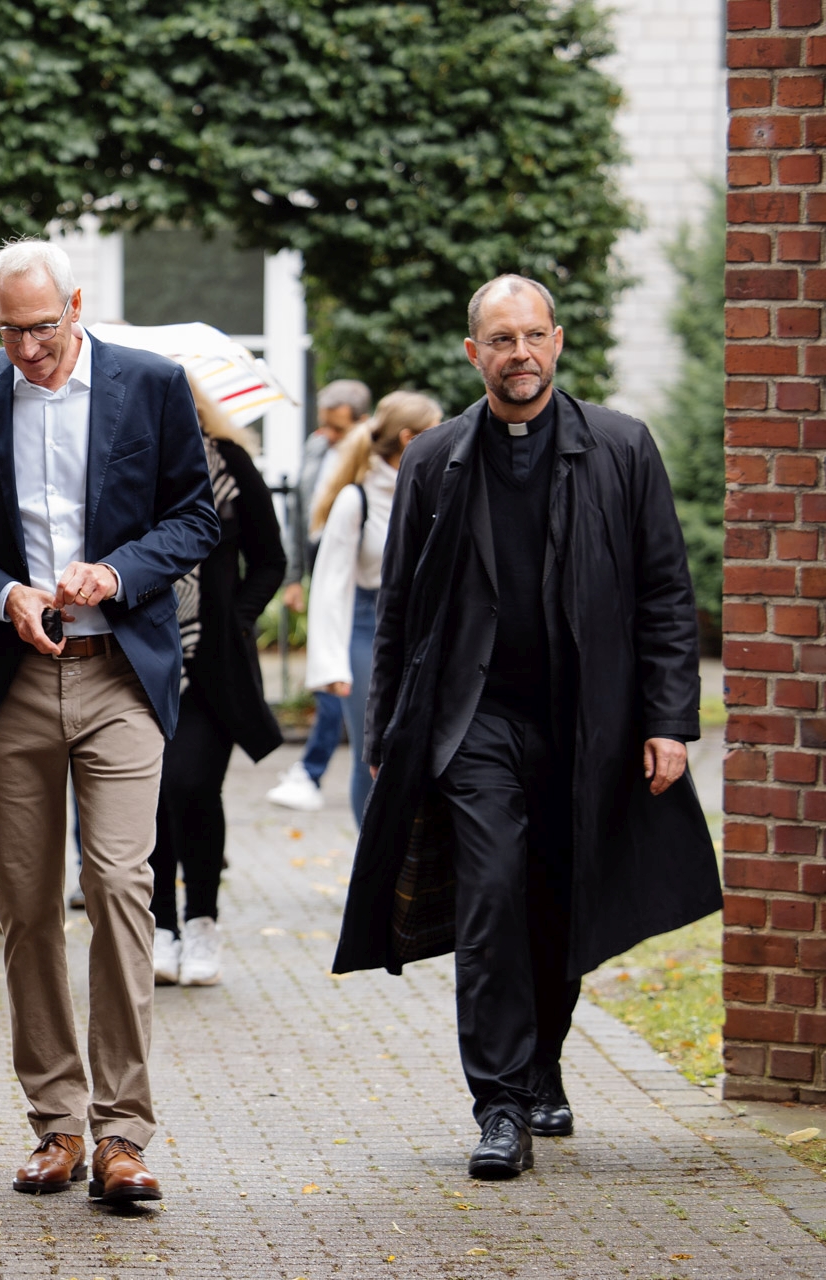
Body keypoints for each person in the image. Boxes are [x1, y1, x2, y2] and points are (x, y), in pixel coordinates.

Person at [334, 274, 720, 1181]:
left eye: (533, 336)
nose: (520, 354)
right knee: (492, 893)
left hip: (589, 718)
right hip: (474, 721)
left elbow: (667, 593)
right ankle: (500, 1103)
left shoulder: (622, 449)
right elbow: (399, 609)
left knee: (560, 894)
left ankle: (544, 1058)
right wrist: (387, 734)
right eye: (500, 340)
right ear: (475, 354)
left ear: (557, 343)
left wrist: (669, 719)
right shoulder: (434, 459)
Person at [0, 239, 220, 1205]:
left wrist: (120, 571)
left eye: (43, 328)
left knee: (122, 887)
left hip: (121, 671)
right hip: (12, 679)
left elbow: (196, 518)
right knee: (30, 907)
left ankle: (123, 1134)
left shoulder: (153, 385)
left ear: (77, 306)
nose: (28, 349)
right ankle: (56, 1123)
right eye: (9, 331)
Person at [148, 382, 286, 989]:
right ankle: (160, 924)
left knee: (192, 786)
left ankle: (202, 919)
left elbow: (272, 558)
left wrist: (237, 617)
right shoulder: (126, 465)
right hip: (142, 658)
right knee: (146, 798)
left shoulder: (229, 464)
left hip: (213, 664)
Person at [301, 391, 444, 827]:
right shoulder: (355, 500)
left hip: (427, 628)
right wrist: (331, 666)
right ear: (409, 438)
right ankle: (371, 867)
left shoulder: (436, 488)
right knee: (375, 751)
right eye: (435, 432)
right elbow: (330, 585)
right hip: (367, 630)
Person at [267, 378, 370, 813]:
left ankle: (311, 771)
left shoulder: (372, 460)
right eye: (324, 425)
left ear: (362, 422)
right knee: (329, 673)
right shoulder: (316, 449)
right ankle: (310, 770)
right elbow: (297, 516)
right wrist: (295, 579)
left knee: (335, 677)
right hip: (320, 571)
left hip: (356, 583)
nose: (327, 435)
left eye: (337, 428)